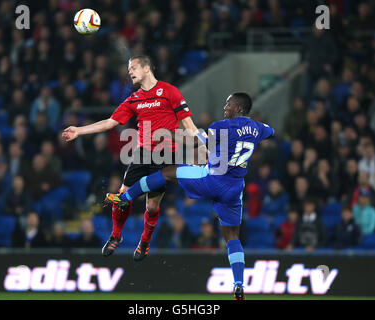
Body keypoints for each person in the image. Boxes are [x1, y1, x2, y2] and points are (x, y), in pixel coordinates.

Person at [105, 92, 275, 300]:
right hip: (234, 189)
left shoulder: (222, 126)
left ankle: (125, 198)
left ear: (238, 108)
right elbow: (270, 131)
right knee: (232, 236)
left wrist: (169, 135)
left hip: (212, 180)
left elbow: (196, 141)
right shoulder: (257, 128)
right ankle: (238, 283)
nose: (225, 107)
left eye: (228, 104)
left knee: (167, 173)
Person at [62, 55, 199, 261]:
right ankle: (116, 235)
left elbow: (189, 126)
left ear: (146, 68)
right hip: (142, 153)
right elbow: (110, 122)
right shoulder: (134, 98)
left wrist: (201, 149)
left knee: (151, 206)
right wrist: (79, 131)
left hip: (166, 154)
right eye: (129, 69)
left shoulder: (169, 91)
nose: (130, 72)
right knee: (122, 196)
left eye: (133, 67)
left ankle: (145, 240)